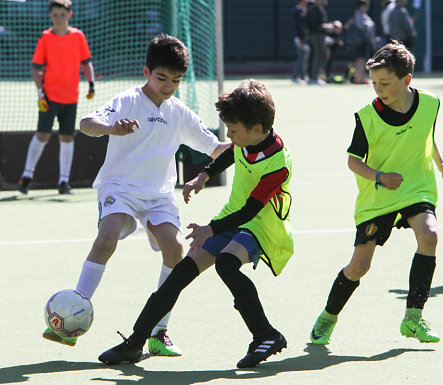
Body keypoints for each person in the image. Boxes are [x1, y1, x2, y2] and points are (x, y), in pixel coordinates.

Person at [41, 34, 229, 356]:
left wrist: (253, 142)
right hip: (120, 187)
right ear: (146, 72)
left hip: (158, 195)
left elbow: (216, 148)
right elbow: (88, 123)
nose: (168, 85)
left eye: (176, 80)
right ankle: (75, 311)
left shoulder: (179, 111)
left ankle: (159, 331)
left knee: (175, 249)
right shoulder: (127, 101)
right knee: (107, 237)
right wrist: (111, 128)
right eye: (161, 78)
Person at [97, 79, 294, 368]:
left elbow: (252, 210)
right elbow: (231, 152)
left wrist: (211, 229)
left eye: (233, 130)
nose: (228, 135)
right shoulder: (247, 140)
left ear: (257, 130)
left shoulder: (277, 163)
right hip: (233, 217)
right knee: (180, 274)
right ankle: (135, 343)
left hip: (261, 225)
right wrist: (203, 176)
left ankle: (266, 334)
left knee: (227, 263)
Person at [310, 41, 443, 346]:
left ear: (407, 80)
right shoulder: (367, 116)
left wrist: (441, 164)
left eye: (385, 83)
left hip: (416, 186)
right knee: (360, 265)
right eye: (374, 83)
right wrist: (379, 177)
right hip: (378, 196)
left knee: (429, 235)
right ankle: (328, 315)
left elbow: (426, 133)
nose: (378, 89)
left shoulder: (431, 103)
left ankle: (413, 318)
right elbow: (353, 161)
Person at [18, 0, 95, 195]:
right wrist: (40, 92)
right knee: (42, 134)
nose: (59, 19)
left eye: (62, 14)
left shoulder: (78, 36)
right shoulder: (45, 38)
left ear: (70, 15)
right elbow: (36, 67)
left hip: (71, 97)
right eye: (55, 15)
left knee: (67, 137)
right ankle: (26, 176)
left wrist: (91, 83)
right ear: (50, 16)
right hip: (49, 96)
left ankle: (63, 182)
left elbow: (86, 63)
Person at [306, 0, 342, 85]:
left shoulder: (320, 9)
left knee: (324, 55)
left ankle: (317, 77)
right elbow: (317, 25)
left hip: (321, 36)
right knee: (318, 56)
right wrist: (331, 26)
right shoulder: (314, 9)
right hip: (317, 36)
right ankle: (314, 78)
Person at [347, 0, 376, 84]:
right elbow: (361, 25)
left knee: (362, 59)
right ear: (361, 6)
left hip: (363, 42)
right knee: (360, 60)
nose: (367, 8)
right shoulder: (358, 13)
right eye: (365, 6)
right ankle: (358, 78)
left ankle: (360, 77)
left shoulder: (363, 14)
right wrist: (369, 25)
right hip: (360, 41)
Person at [291, 0, 310, 83]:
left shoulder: (304, 10)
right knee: (300, 58)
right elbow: (297, 26)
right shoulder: (297, 11)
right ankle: (295, 77)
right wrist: (299, 38)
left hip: (304, 38)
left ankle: (302, 76)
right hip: (299, 38)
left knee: (304, 58)